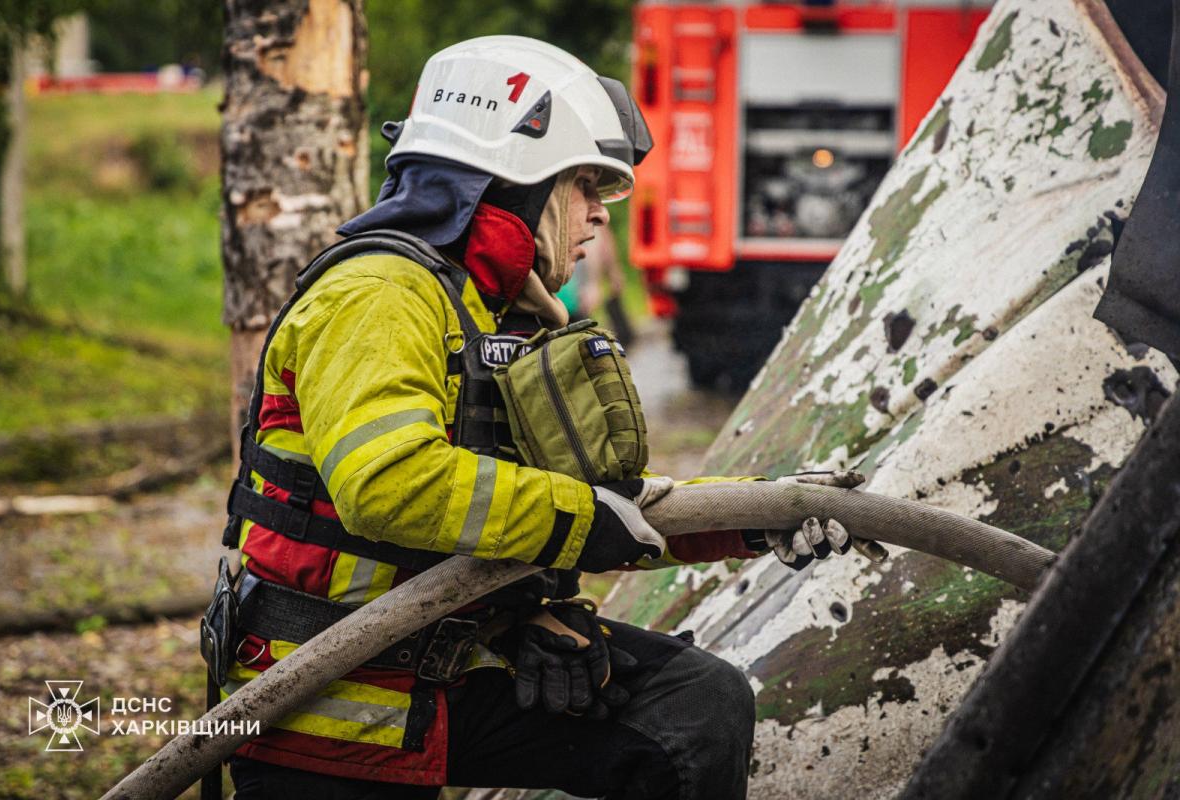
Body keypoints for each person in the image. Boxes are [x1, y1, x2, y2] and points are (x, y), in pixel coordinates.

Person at [214, 35, 879, 800]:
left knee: (694, 707)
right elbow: (390, 484)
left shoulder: (489, 317)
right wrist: (579, 522)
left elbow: (603, 506)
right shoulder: (379, 296)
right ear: (515, 183)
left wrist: (761, 515)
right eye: (584, 184)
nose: (599, 214)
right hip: (330, 703)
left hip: (436, 667)